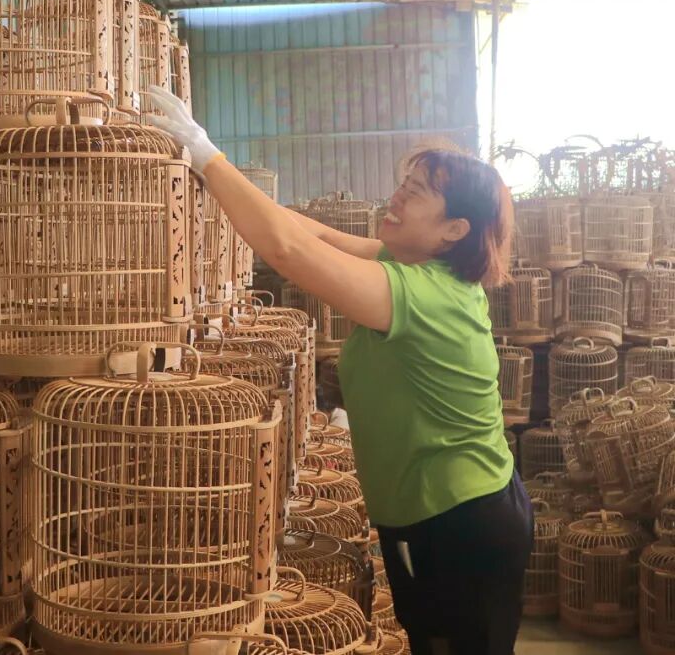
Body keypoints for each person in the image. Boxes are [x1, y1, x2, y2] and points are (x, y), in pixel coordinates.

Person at [144, 85, 532, 655]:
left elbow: (288, 251)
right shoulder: (409, 262)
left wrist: (209, 155)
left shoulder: (423, 294)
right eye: (404, 183)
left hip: (460, 520)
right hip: (432, 512)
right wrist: (213, 174)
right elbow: (315, 234)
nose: (397, 197)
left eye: (417, 193)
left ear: (455, 229)